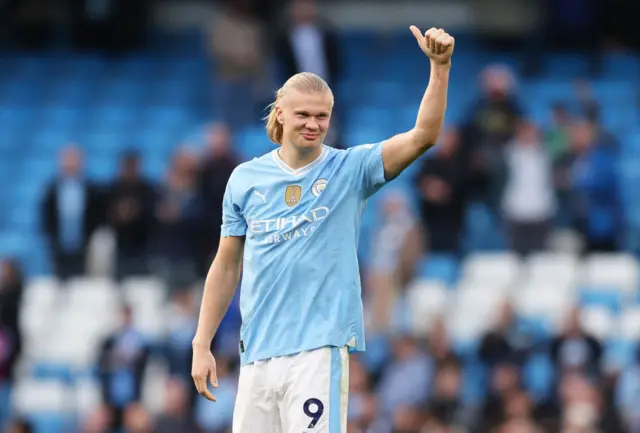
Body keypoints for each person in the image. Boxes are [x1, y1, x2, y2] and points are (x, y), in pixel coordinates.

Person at [191, 26, 455, 432]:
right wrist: (201, 342)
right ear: (280, 112)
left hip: (316, 352)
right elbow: (226, 266)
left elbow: (423, 136)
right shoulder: (245, 179)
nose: (313, 124)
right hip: (257, 354)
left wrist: (440, 67)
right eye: (303, 114)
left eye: (321, 116)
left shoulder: (350, 169)